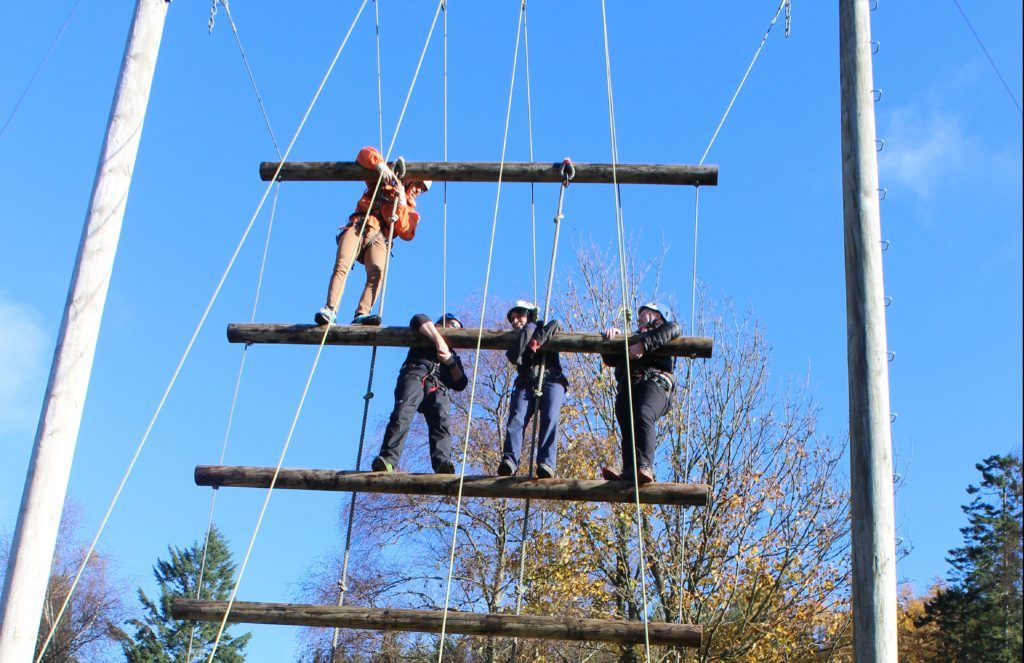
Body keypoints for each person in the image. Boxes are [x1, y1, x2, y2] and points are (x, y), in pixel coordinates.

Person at [315, 146, 432, 326]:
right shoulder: (385, 181)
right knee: (342, 264)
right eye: (418, 185)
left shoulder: (411, 212)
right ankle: (330, 309)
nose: (418, 190)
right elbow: (364, 153)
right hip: (359, 224)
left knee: (377, 274)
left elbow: (406, 231)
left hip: (380, 237)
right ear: (410, 179)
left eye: (422, 189)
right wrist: (381, 166)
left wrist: (401, 202)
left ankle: (362, 313)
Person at [371, 313, 468, 474]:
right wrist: (439, 342)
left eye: (457, 327)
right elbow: (418, 318)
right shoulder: (424, 335)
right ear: (438, 324)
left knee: (441, 421)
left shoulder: (454, 356)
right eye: (450, 324)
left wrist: (449, 361)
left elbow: (460, 383)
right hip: (416, 374)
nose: (453, 328)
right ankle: (387, 460)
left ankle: (442, 463)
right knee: (402, 414)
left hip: (438, 385)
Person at [599, 303, 680, 485]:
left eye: (645, 314)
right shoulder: (632, 338)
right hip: (630, 384)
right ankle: (629, 470)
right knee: (627, 421)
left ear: (658, 316)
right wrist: (610, 338)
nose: (639, 317)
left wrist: (643, 346)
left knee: (643, 413)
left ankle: (644, 466)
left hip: (655, 383)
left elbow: (674, 328)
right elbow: (611, 359)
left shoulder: (664, 330)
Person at [497, 300, 569, 479]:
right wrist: (529, 332)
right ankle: (510, 461)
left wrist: (537, 338)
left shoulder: (543, 327)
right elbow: (514, 356)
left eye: (519, 316)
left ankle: (546, 463)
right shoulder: (515, 339)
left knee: (550, 417)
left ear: (529, 315)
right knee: (516, 418)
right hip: (526, 381)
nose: (514, 321)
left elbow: (557, 324)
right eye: (512, 318)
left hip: (551, 378)